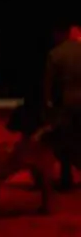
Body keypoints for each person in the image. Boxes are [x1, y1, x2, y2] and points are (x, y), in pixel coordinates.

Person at [44, 22, 81, 191]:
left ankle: (66, 178)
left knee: (65, 141)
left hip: (65, 104)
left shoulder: (56, 53)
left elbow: (49, 83)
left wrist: (49, 103)